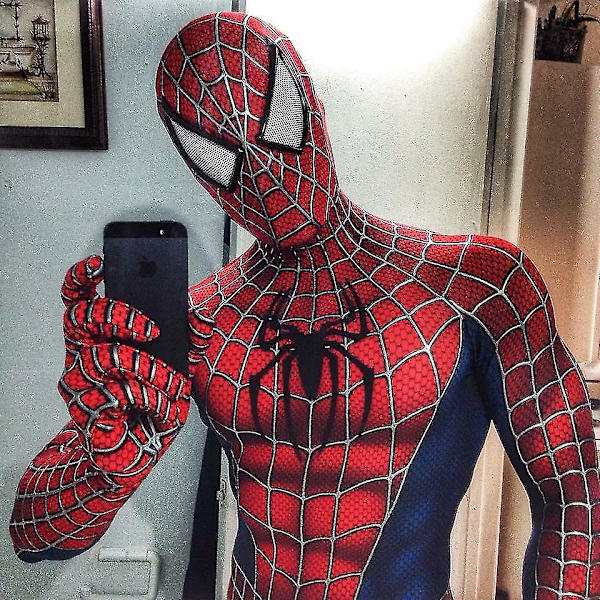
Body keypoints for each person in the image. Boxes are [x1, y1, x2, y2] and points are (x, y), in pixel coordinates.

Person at [10, 12, 600, 600]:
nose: (263, 171)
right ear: (198, 171)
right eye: (218, 154)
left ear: (311, 105)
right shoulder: (204, 319)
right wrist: (105, 461)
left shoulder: (476, 283)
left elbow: (575, 493)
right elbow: (34, 535)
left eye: (280, 123)